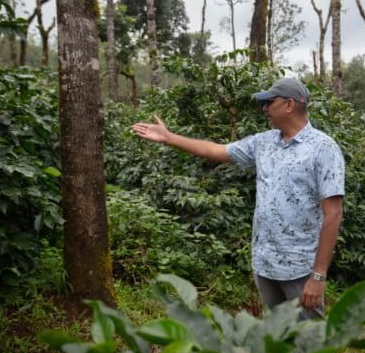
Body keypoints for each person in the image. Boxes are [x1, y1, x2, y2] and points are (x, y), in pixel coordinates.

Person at [130, 77, 345, 322]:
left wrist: (318, 276)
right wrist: (169, 138)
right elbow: (216, 151)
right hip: (265, 264)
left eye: (269, 102)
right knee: (279, 343)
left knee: (312, 345)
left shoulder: (323, 148)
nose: (264, 108)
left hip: (300, 269)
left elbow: (334, 214)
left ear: (289, 105)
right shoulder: (264, 143)